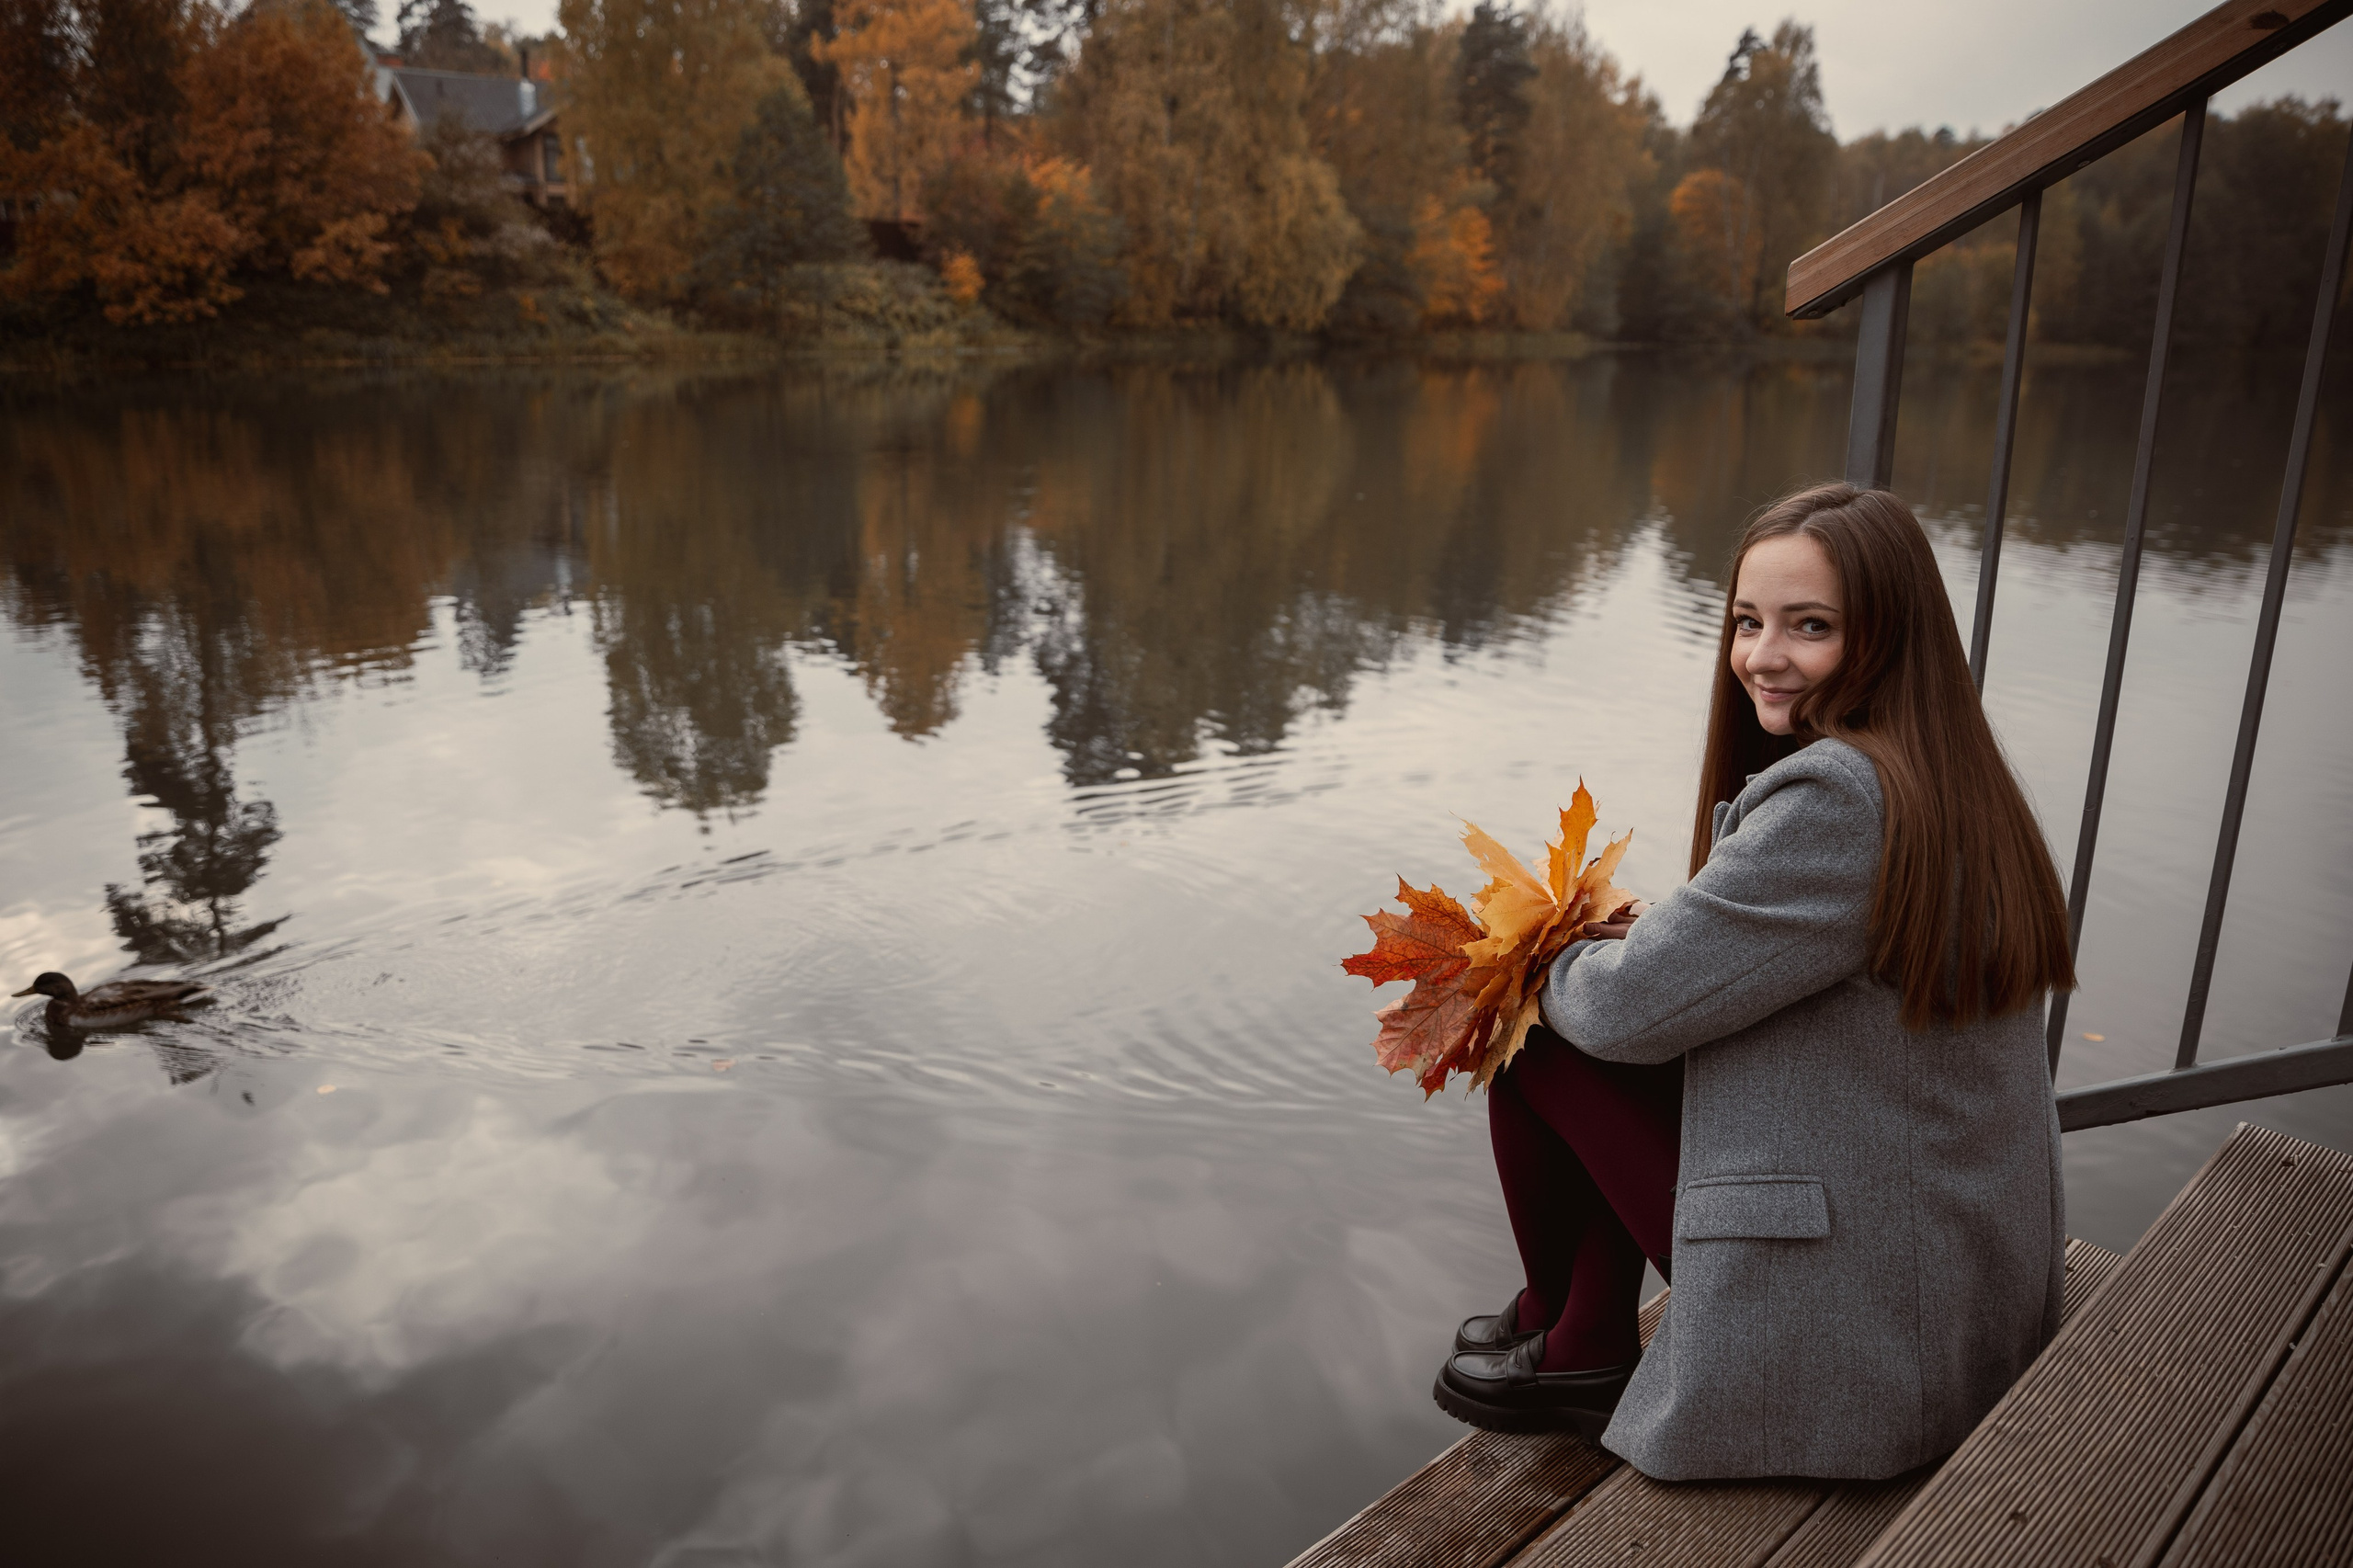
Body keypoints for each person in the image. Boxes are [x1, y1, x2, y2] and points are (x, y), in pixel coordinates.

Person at [1432, 482, 2076, 1482]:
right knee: (1592, 1010)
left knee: (1543, 1027)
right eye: (1746, 621)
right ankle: (1572, 1324)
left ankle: (1571, 1333)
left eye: (1809, 626)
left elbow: (1625, 1008)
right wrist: (1643, 947)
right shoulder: (1942, 772)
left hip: (1876, 1332)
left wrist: (1548, 956)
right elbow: (1749, 961)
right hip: (1958, 1278)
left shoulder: (1840, 802)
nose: (1762, 656)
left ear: (1887, 636)